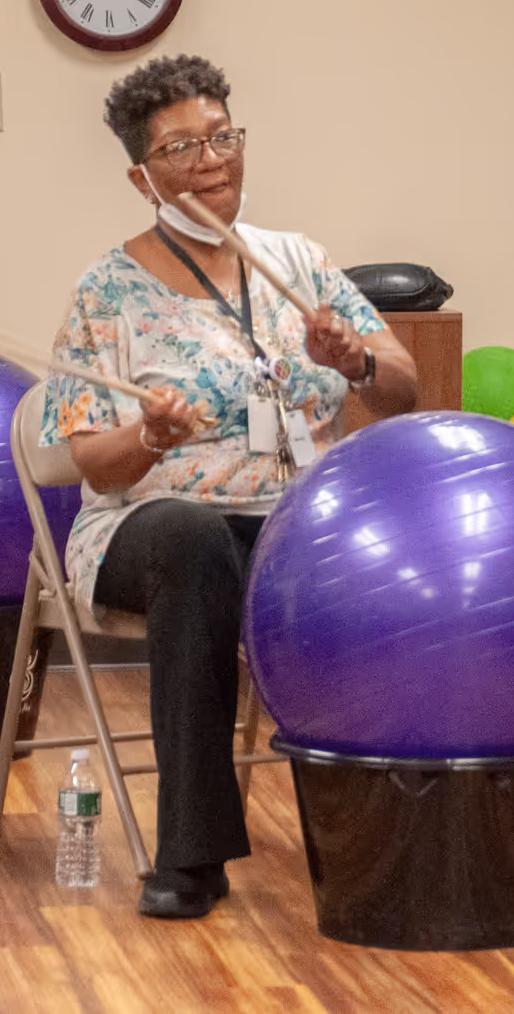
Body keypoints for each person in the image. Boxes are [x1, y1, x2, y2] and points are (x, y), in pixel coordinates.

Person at [42, 54, 420, 921]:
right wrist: (149, 434)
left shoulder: (300, 260)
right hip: (148, 529)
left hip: (292, 524)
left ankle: (455, 803)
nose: (211, 159)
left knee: (397, 557)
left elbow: (402, 385)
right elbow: (95, 463)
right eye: (182, 147)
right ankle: (191, 852)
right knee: (193, 538)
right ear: (142, 177)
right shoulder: (108, 290)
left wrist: (354, 358)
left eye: (222, 136)